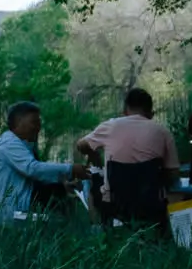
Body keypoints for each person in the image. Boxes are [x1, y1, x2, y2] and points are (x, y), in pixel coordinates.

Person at [75, 87, 180, 224]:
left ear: (125, 110)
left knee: (90, 181)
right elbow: (173, 173)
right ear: (150, 113)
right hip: (151, 204)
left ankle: (100, 233)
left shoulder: (111, 126)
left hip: (115, 204)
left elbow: (80, 145)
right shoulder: (163, 132)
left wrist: (94, 155)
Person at [0, 100, 85, 222]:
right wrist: (71, 169)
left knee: (60, 193)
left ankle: (65, 232)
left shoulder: (21, 145)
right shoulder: (9, 144)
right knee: (59, 203)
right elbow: (32, 168)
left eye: (39, 123)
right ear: (18, 123)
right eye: (34, 122)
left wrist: (63, 184)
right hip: (7, 211)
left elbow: (34, 178)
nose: (38, 127)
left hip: (17, 203)